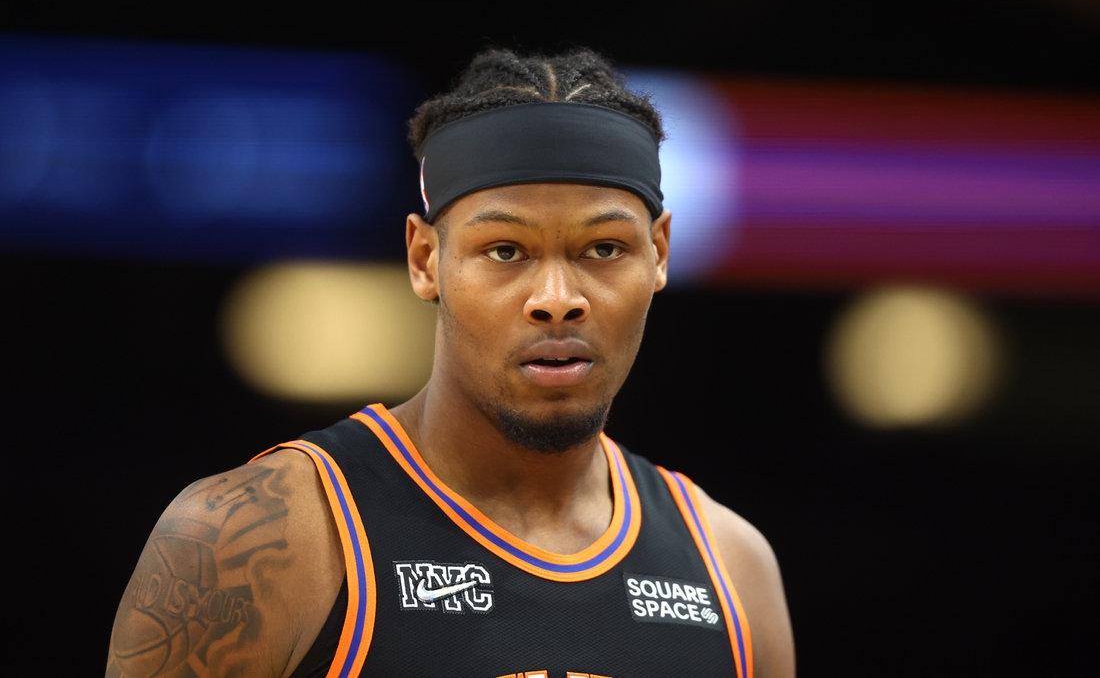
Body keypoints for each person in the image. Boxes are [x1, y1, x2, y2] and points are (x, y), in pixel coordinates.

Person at [106, 48, 795, 678]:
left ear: (661, 254)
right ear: (424, 258)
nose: (556, 299)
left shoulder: (733, 569)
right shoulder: (257, 539)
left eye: (603, 249)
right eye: (505, 250)